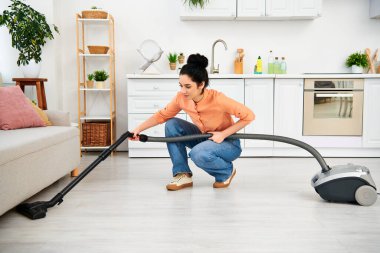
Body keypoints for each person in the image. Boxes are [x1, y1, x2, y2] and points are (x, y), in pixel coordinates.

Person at [129, 53, 255, 191]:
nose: (183, 91)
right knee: (172, 124)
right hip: (204, 138)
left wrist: (223, 134)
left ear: (201, 84)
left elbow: (249, 116)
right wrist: (138, 129)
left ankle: (226, 172)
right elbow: (162, 116)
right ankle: (182, 174)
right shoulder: (181, 98)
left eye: (188, 86)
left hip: (228, 144)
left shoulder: (218, 99)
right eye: (181, 85)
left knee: (198, 153)